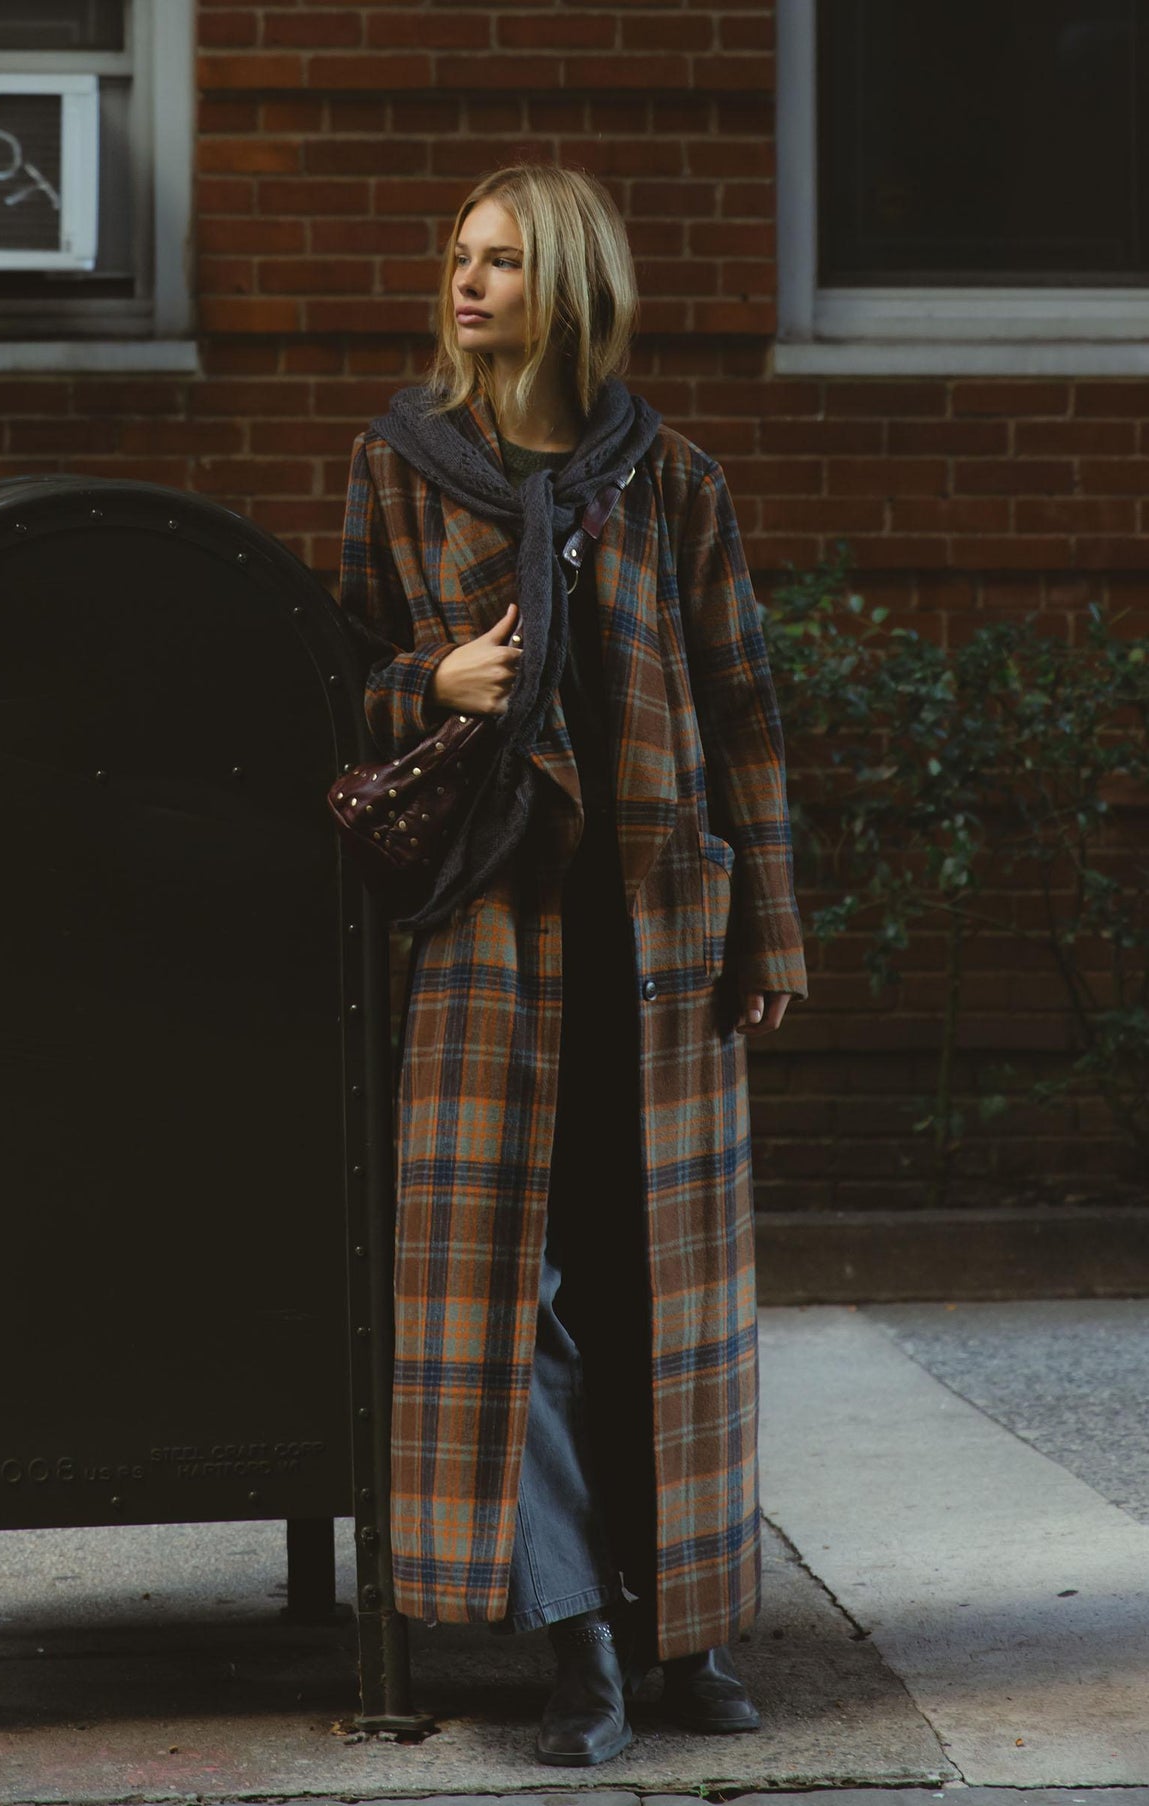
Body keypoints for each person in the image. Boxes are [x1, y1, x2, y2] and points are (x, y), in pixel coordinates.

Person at [334, 163, 809, 1768]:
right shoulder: (401, 469)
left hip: (659, 940)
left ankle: (685, 1628)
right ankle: (576, 1639)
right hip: (489, 941)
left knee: (657, 1288)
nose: (468, 285)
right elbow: (331, 684)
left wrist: (771, 927)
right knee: (503, 1307)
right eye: (458, 256)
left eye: (505, 262)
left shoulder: (666, 475)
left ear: (572, 287)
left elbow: (739, 706)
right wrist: (432, 679)